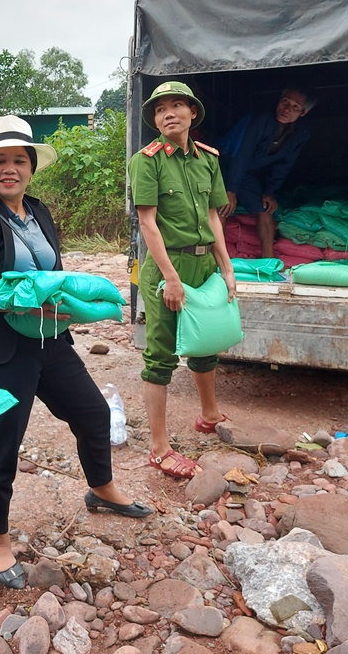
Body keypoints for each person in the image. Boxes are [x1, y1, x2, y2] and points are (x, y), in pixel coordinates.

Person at [0, 115, 152, 589]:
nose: (10, 169)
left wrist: (67, 308)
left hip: (52, 342)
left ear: (31, 168)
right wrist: (4, 302)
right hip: (3, 350)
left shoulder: (39, 212)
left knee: (92, 413)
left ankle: (101, 488)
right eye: (0, 161)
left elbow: (57, 273)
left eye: (19, 161)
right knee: (2, 446)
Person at [128, 81, 236, 478]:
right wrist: (171, 279)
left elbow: (213, 217)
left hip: (204, 264)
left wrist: (226, 269)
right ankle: (159, 447)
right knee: (160, 354)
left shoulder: (208, 158)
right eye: (159, 110)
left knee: (206, 341)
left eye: (176, 106)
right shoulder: (147, 159)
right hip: (166, 266)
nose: (168, 114)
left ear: (193, 113)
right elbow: (147, 223)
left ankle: (208, 415)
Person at [217, 87, 316, 257]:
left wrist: (270, 191)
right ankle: (216, 259)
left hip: (246, 170)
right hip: (224, 164)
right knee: (223, 206)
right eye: (285, 101)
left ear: (303, 113)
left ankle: (268, 261)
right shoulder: (262, 119)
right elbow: (243, 152)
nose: (287, 109)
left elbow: (285, 164)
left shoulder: (301, 133)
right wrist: (231, 190)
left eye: (295, 107)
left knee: (265, 208)